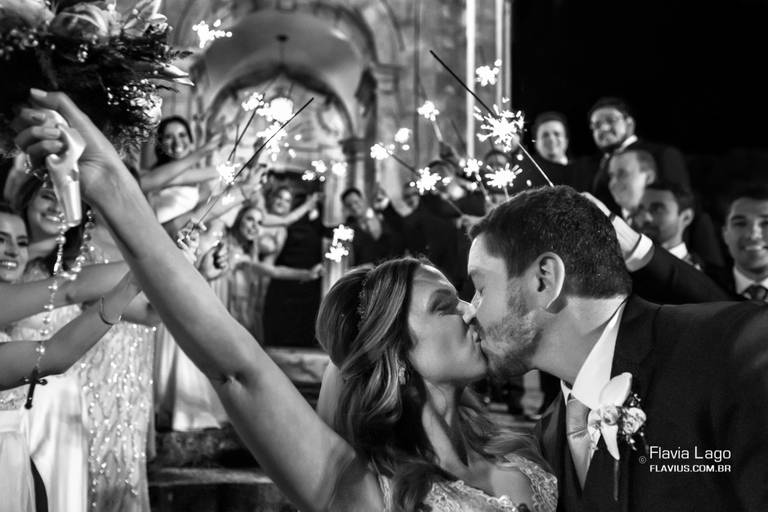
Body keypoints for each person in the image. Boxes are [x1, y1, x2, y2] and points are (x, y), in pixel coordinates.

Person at [15, 90, 558, 512]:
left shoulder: (533, 447)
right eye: (444, 305)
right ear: (394, 354)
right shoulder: (361, 488)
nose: (469, 309)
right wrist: (108, 183)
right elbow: (239, 368)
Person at [467, 185, 768, 511]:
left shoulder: (730, 353)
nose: (470, 310)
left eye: (480, 288)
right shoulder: (546, 438)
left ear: (545, 280)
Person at [0, 202, 142, 512]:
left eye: (20, 242)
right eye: (1, 239)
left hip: (15, 454)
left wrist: (157, 270)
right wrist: (154, 261)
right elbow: (55, 345)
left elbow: (58, 344)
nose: (12, 251)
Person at [631, 182, 699, 266]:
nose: (645, 217)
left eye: (657, 210)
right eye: (641, 209)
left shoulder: (699, 271)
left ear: (686, 217)